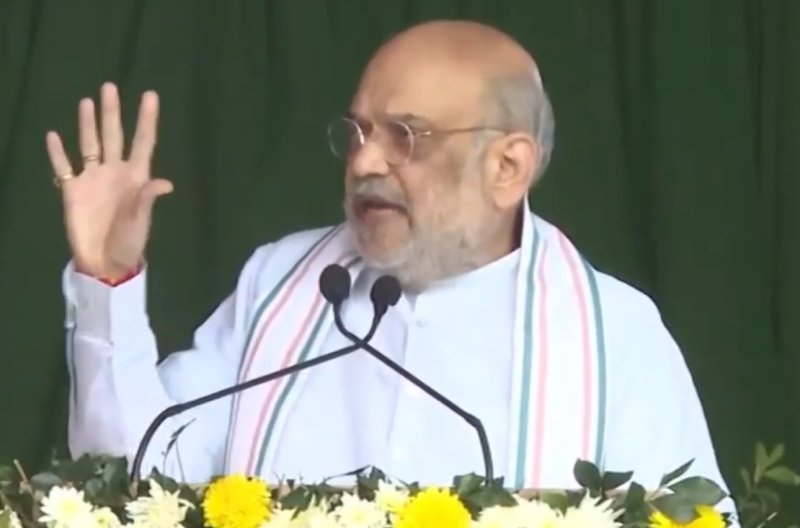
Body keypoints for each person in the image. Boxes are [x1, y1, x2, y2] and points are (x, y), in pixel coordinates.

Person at [50, 19, 732, 509]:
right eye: (357, 133)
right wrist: (108, 280)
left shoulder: (614, 335)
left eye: (406, 135)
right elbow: (137, 485)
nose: (365, 162)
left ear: (507, 167)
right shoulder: (281, 282)